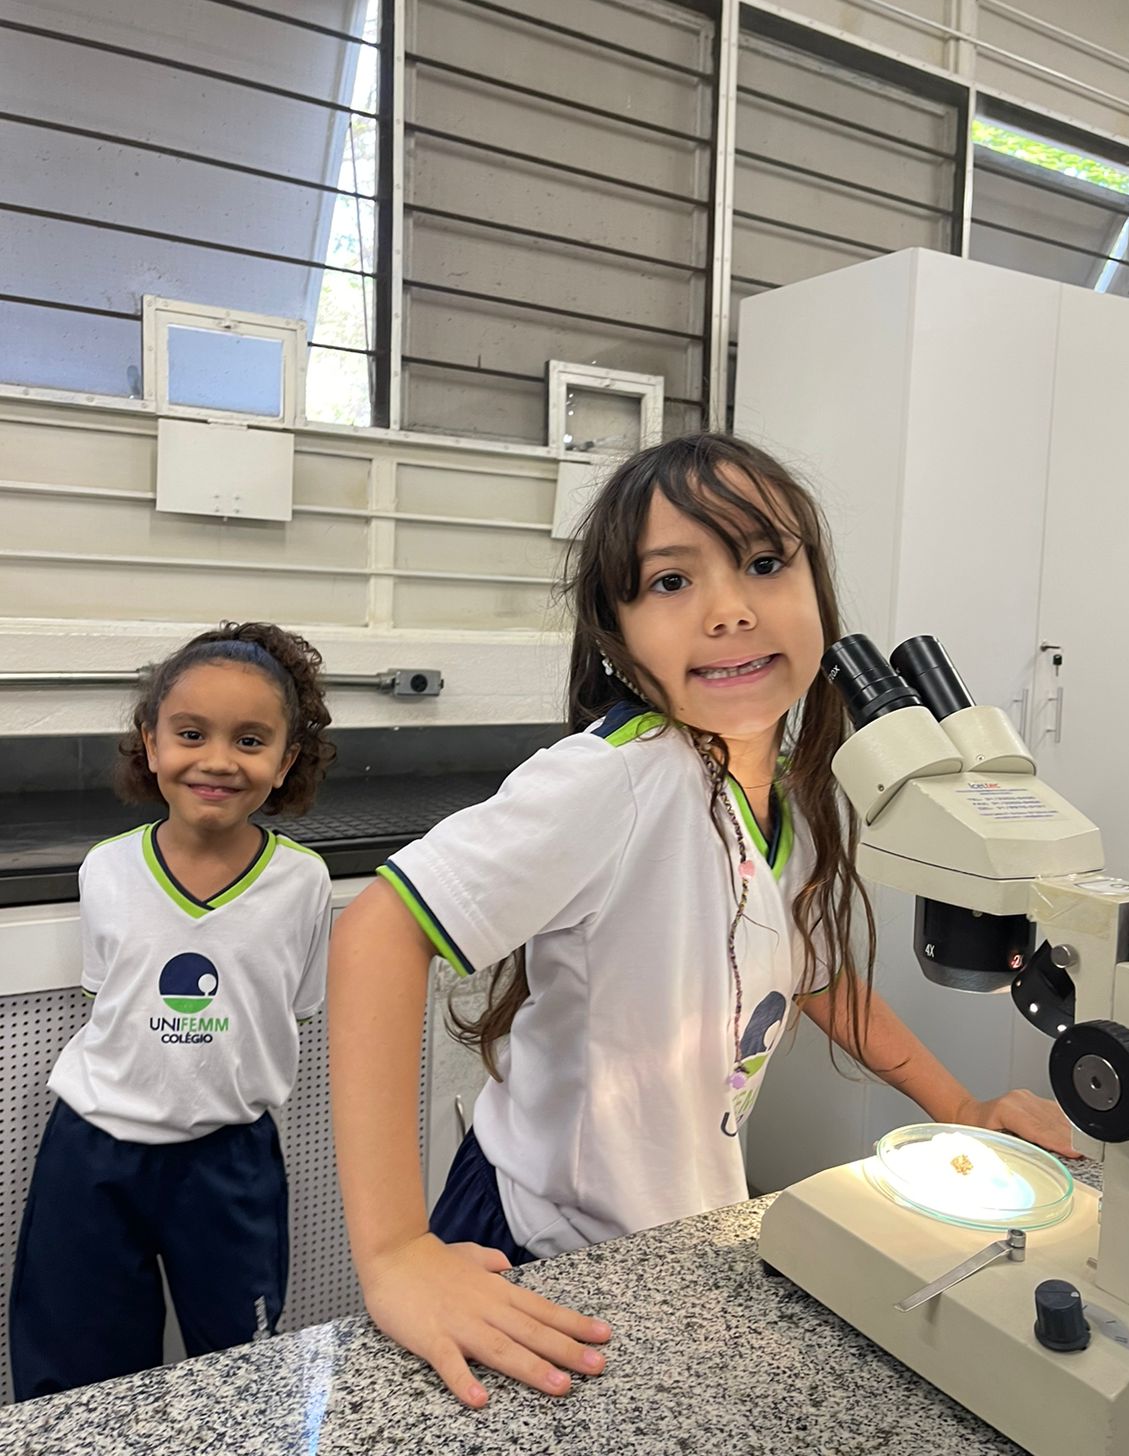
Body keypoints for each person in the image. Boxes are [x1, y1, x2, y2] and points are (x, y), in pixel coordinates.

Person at [329, 432, 1073, 1410]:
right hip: (541, 1241)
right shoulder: (616, 778)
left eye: (764, 563)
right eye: (672, 581)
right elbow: (375, 931)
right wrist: (394, 1251)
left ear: (817, 593)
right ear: (618, 634)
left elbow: (813, 976)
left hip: (674, 1228)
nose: (729, 609)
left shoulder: (784, 799)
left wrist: (961, 1108)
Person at [9, 622, 335, 1400]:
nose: (218, 759)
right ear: (151, 744)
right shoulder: (107, 868)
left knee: (247, 1380)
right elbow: (108, 1001)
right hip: (91, 1156)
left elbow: (295, 1009)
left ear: (286, 759)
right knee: (75, 1386)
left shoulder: (303, 884)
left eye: (250, 740)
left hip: (229, 1164)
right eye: (191, 734)